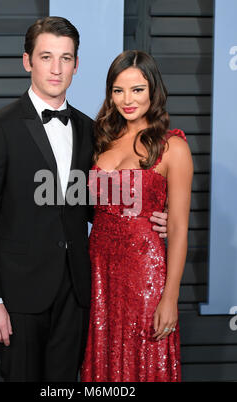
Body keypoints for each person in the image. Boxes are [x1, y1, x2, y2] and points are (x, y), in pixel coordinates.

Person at [0, 17, 168, 382]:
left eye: (66, 58)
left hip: (77, 291)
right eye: (46, 57)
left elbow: (91, 204)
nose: (56, 69)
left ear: (76, 64)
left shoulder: (91, 129)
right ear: (28, 61)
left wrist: (144, 216)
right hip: (18, 296)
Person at [81, 50, 193, 382]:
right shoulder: (102, 140)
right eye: (118, 90)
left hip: (146, 275)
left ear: (153, 91)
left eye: (137, 89)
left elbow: (179, 229)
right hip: (99, 270)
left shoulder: (173, 147)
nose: (127, 100)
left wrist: (170, 297)